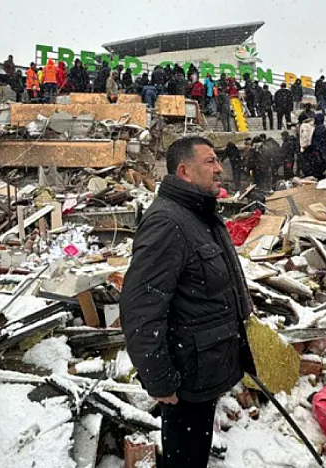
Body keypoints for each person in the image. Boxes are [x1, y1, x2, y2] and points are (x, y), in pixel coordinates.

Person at [120, 137, 255, 468]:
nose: (220, 168)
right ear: (184, 171)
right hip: (185, 380)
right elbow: (140, 309)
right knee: (185, 460)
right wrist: (160, 379)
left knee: (194, 455)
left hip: (204, 368)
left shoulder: (199, 215)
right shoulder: (168, 222)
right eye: (210, 161)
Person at [309, 113, 326, 179]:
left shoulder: (318, 129)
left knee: (318, 171)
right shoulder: (323, 128)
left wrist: (315, 151)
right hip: (323, 153)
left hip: (319, 154)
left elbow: (316, 142)